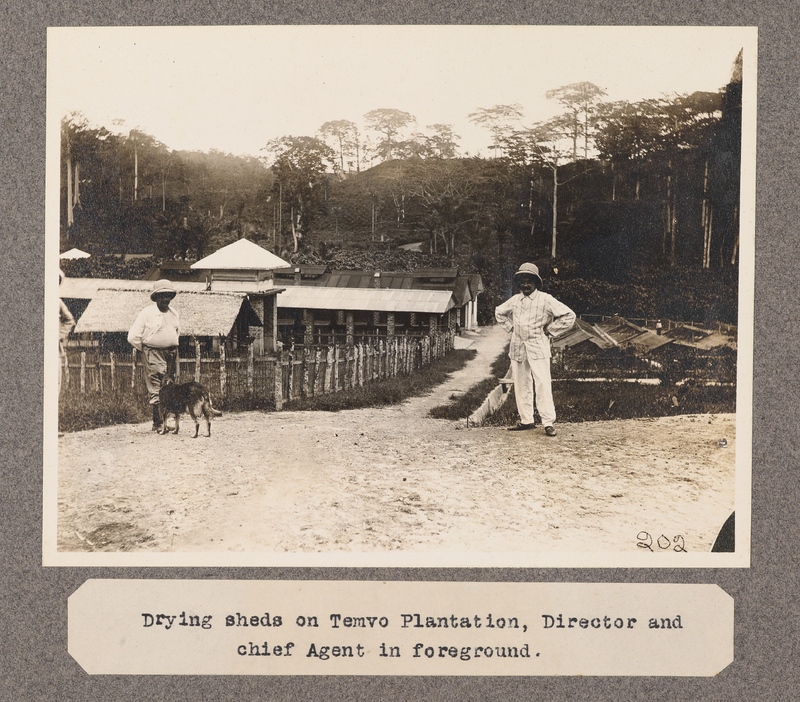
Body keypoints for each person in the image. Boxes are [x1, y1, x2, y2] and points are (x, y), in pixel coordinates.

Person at [495, 262, 576, 436]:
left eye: (529, 281)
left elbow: (569, 316)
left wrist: (551, 329)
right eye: (522, 281)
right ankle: (526, 420)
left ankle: (548, 422)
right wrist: (511, 328)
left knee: (542, 383)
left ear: (536, 283)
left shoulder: (545, 299)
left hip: (538, 347)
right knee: (522, 383)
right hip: (518, 347)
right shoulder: (515, 300)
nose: (525, 285)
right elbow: (499, 312)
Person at [127, 279, 180, 431]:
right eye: (162, 296)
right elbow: (132, 337)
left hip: (171, 354)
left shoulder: (174, 313)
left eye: (168, 296)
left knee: (169, 386)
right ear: (155, 297)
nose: (165, 299)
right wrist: (146, 349)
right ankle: (158, 423)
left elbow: (176, 333)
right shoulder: (147, 313)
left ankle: (165, 421)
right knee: (157, 388)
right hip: (153, 353)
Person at [58, 269, 75, 394]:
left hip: (54, 350)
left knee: (55, 381)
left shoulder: (57, 302)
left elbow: (69, 321)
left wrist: (58, 336)